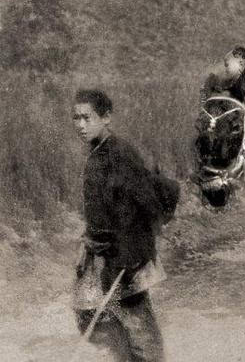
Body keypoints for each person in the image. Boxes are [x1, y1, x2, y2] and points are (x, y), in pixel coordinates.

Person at [72, 89, 166, 361]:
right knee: (88, 314)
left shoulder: (121, 154)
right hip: (101, 251)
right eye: (76, 118)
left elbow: (147, 204)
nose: (80, 125)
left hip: (126, 254)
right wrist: (86, 241)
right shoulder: (97, 153)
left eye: (87, 118)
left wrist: (132, 256)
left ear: (106, 118)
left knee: (137, 322)